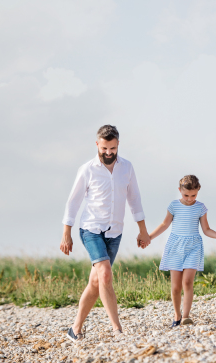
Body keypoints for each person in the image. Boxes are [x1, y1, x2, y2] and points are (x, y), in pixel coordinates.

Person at [60, 125, 151, 342]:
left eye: (112, 148)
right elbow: (73, 202)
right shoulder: (87, 169)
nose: (108, 153)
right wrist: (67, 233)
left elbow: (135, 199)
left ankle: (75, 329)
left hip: (115, 232)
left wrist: (143, 231)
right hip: (90, 230)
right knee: (106, 274)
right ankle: (117, 330)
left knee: (95, 282)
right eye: (104, 148)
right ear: (97, 145)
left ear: (118, 144)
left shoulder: (127, 168)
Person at [144, 175, 216, 327]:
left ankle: (186, 316)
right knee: (175, 286)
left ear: (198, 192)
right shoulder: (174, 205)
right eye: (186, 195)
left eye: (193, 195)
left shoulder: (200, 207)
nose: (190, 198)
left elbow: (206, 229)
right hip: (175, 247)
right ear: (179, 191)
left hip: (193, 246)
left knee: (187, 281)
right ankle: (177, 314)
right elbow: (164, 224)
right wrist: (149, 237)